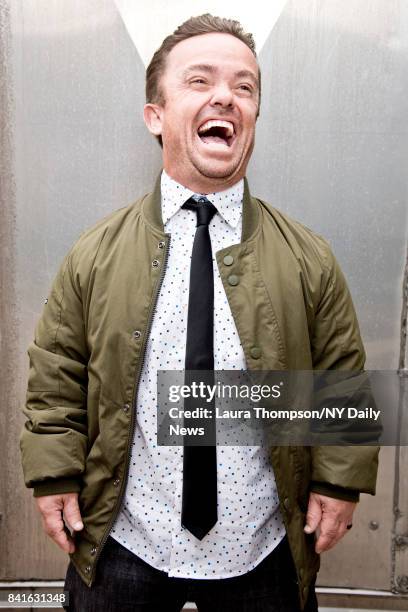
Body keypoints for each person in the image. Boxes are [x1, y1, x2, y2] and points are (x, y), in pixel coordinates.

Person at [19, 13, 379, 612]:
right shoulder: (94, 254)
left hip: (264, 553)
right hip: (125, 546)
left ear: (255, 116)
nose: (226, 97)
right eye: (200, 81)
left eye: (245, 87)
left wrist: (338, 482)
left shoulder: (309, 257)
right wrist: (54, 476)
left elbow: (343, 376)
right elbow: (57, 373)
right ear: (155, 116)